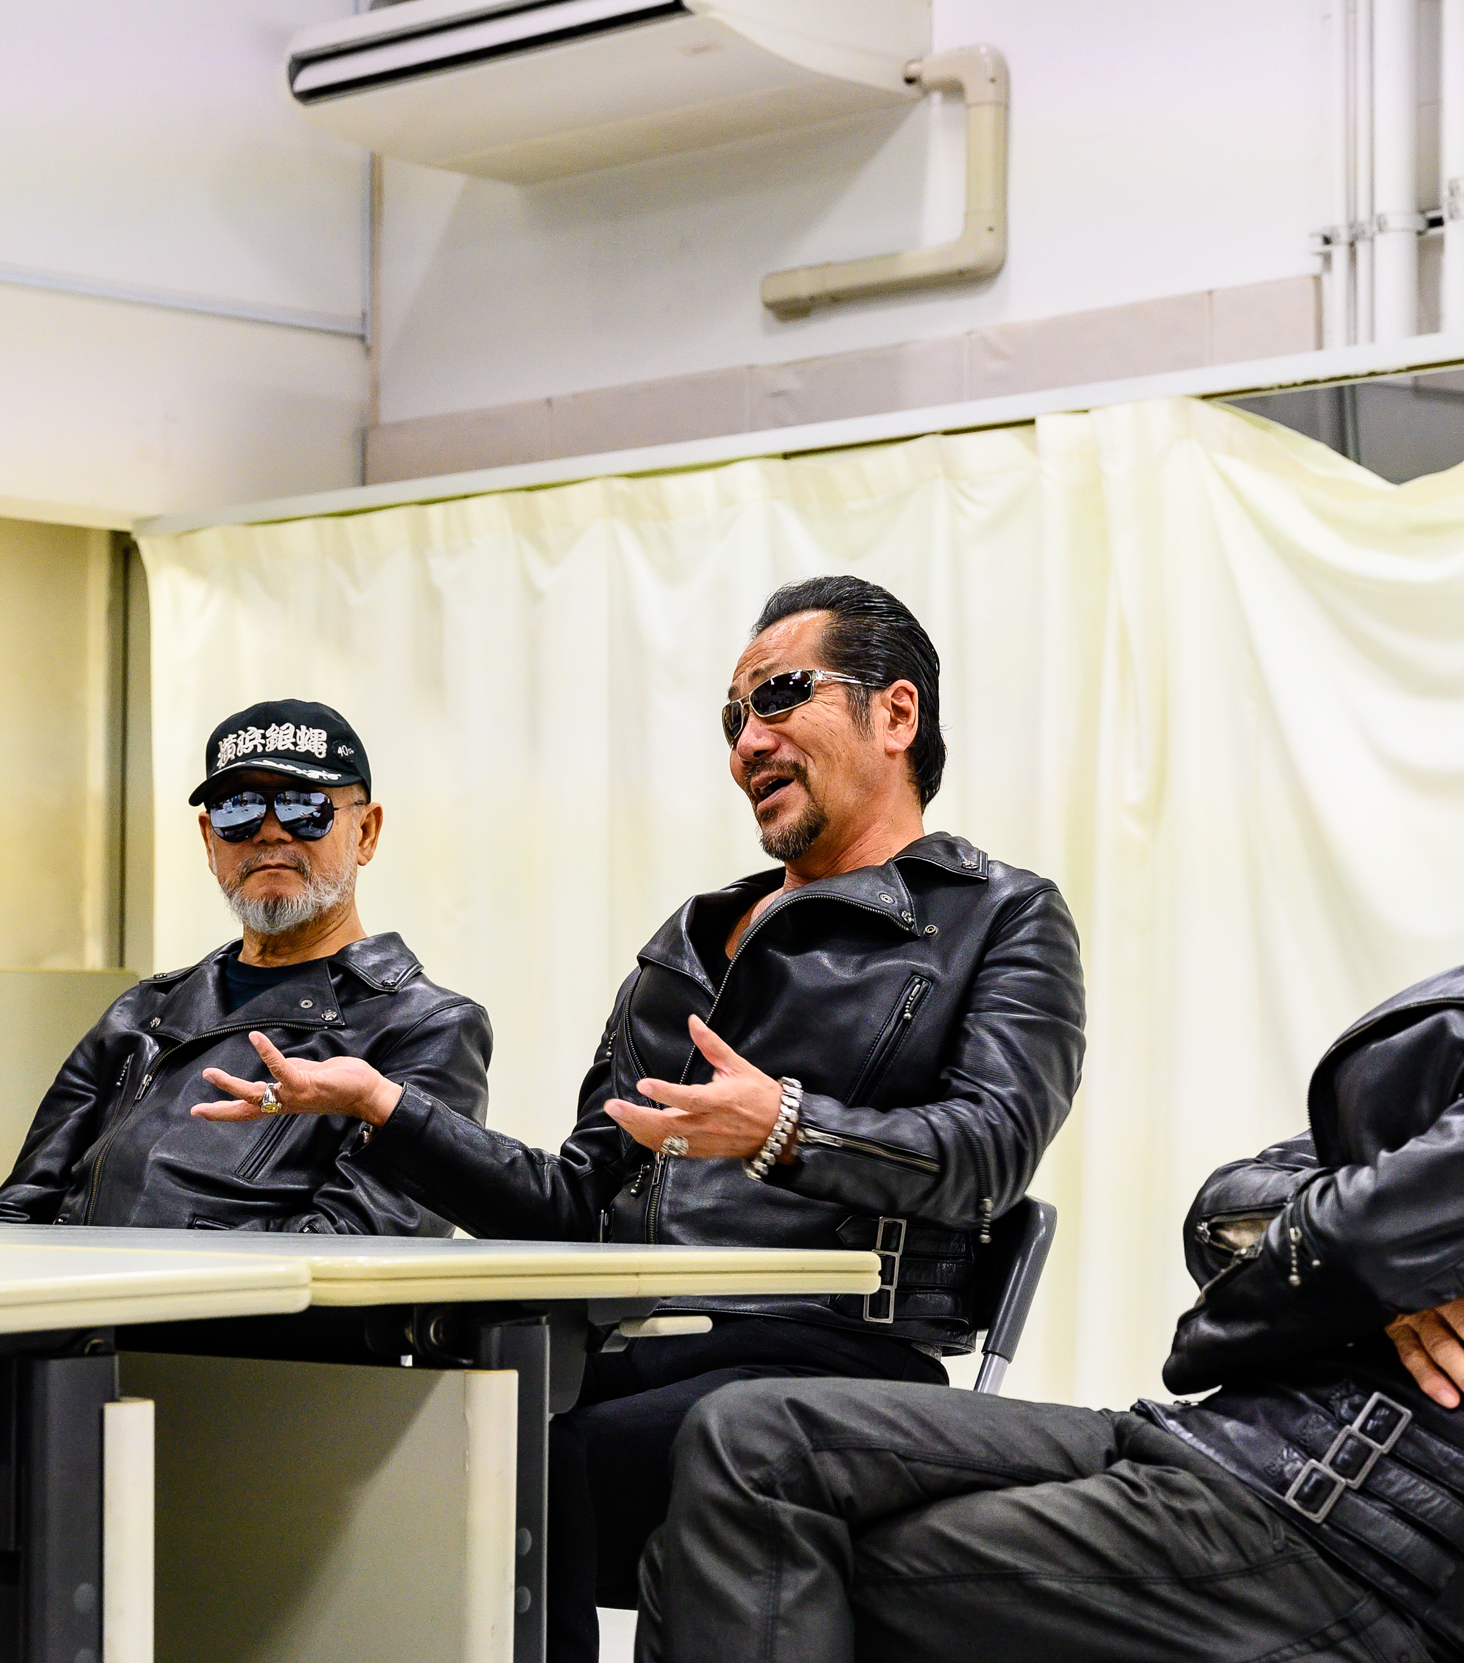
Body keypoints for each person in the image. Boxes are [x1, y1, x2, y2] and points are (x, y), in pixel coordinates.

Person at [638, 510, 1464, 1663]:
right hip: (1254, 1463)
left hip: (1347, 1546)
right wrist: (1372, 1268)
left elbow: (1363, 1234)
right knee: (748, 1437)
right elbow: (1238, 1205)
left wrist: (1365, 1257)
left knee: (753, 1544)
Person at [194, 579, 1087, 1659]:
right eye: (733, 717)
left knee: (539, 1454)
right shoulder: (690, 942)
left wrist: (783, 1125)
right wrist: (384, 1106)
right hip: (639, 1343)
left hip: (841, 1357)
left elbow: (987, 1153)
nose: (746, 741)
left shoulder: (998, 916)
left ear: (895, 713)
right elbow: (572, 1202)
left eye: (779, 697)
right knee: (417, 1423)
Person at [0, 699, 490, 1233]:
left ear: (366, 832)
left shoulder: (426, 1028)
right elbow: (16, 1211)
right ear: (209, 840)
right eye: (237, 810)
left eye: (304, 806)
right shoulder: (140, 1013)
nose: (269, 832)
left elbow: (360, 1250)